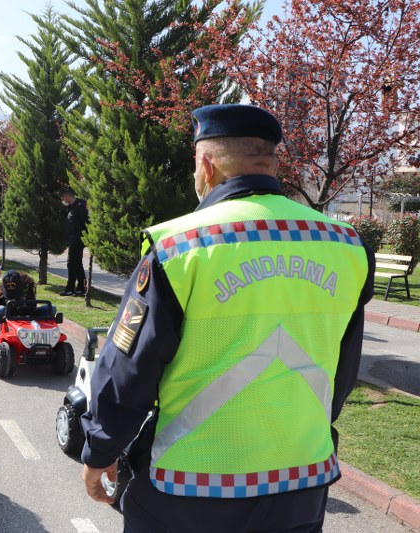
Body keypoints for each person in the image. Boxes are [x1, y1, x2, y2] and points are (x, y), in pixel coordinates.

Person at [80, 104, 375, 532]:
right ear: (270, 162)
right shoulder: (348, 245)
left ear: (206, 164)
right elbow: (343, 368)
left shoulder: (179, 245)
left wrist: (99, 451)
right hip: (300, 483)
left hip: (188, 490)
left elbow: (128, 368)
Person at [59, 187, 88, 296]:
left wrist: (84, 237)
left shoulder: (80, 206)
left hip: (78, 240)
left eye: (62, 197)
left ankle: (70, 288)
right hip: (72, 239)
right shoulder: (70, 207)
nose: (62, 200)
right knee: (77, 264)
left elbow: (86, 222)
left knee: (71, 264)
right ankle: (81, 287)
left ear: (67, 196)